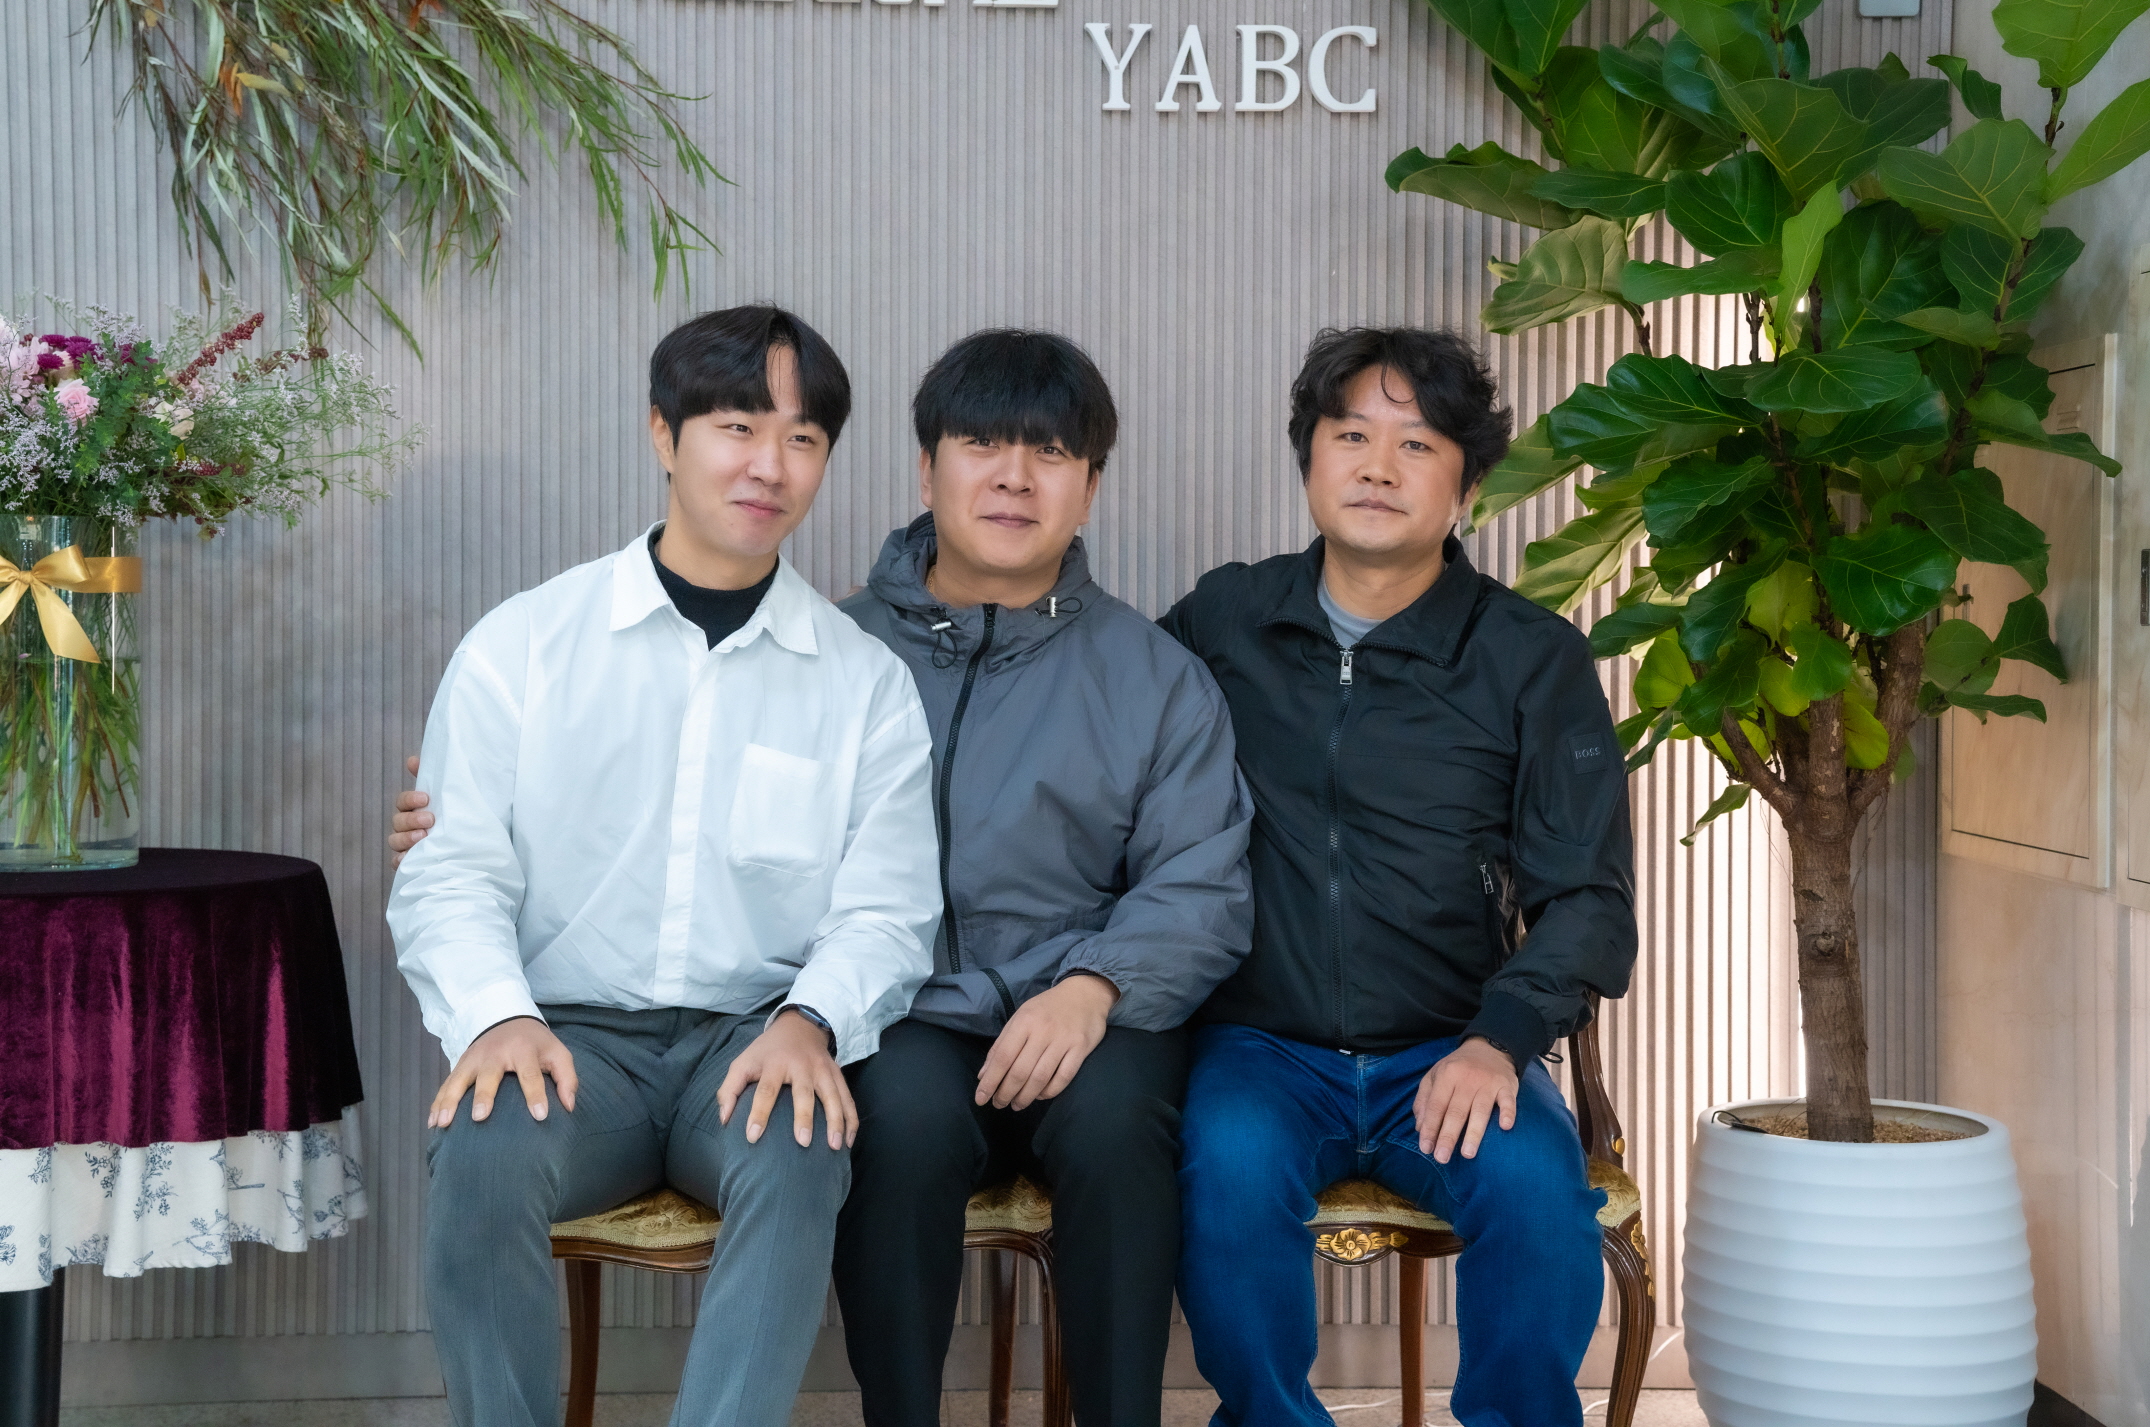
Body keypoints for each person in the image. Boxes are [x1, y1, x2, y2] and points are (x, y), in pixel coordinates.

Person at [395, 328, 1253, 1427]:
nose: (1013, 477)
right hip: (711, 1028)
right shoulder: (557, 643)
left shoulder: (899, 675)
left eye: (799, 438)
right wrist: (489, 980)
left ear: (1089, 484)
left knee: (946, 1131)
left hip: (872, 1022)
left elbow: (918, 899)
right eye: (736, 428)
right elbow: (479, 855)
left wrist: (1071, 986)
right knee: (508, 1144)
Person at [385, 305, 942, 1427]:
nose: (769, 464)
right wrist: (496, 1016)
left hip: (750, 1038)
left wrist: (811, 1022)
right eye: (738, 427)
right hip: (567, 1041)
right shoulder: (525, 645)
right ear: (662, 433)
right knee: (481, 1145)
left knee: (802, 1136)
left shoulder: (862, 682)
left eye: (802, 438)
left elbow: (886, 907)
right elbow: (451, 869)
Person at [1159, 327, 1637, 1427]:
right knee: (1225, 1170)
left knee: (1535, 1193)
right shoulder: (1226, 620)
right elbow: (1103, 727)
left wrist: (1498, 1039)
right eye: (1351, 437)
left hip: (1453, 1041)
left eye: (1416, 444)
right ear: (1309, 461)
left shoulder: (1529, 657)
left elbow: (1589, 897)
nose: (1378, 467)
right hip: (1262, 1045)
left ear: (1466, 489)